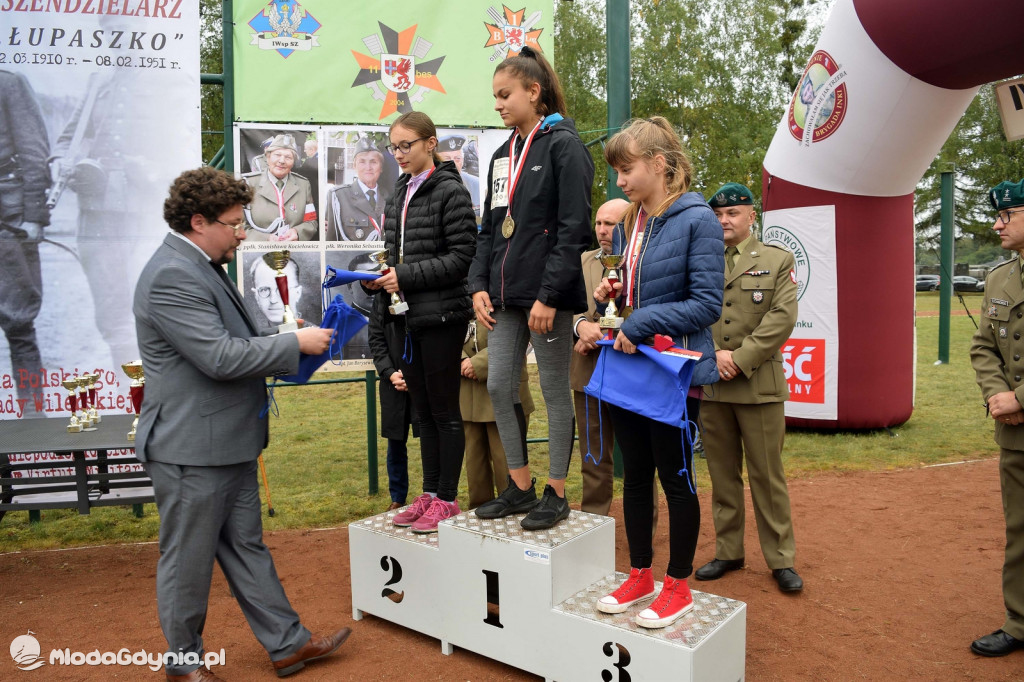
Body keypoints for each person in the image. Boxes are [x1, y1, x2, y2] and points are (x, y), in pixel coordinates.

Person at [133, 167, 350, 680]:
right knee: (188, 561)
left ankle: (288, 645)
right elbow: (218, 357)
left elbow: (231, 342)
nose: (242, 232)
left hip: (226, 440)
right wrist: (292, 345)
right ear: (198, 221)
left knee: (245, 548)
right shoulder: (171, 274)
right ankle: (183, 664)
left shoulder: (201, 263)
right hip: (190, 448)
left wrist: (284, 335)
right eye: (232, 223)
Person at [592, 117, 723, 629]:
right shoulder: (631, 221)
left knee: (676, 478)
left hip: (674, 373)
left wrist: (641, 320)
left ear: (660, 164)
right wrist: (616, 295)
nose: (620, 181)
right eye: (617, 172)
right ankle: (641, 574)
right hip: (629, 366)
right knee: (636, 478)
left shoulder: (698, 219)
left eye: (627, 170)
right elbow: (642, 290)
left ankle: (679, 586)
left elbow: (706, 304)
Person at [469, 46, 594, 531]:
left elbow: (573, 232)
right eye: (495, 96)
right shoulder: (504, 155)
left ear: (533, 92)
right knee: (499, 383)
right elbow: (489, 228)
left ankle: (557, 492)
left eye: (505, 95)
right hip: (504, 297)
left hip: (547, 299)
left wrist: (549, 296)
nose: (497, 104)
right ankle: (520, 486)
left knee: (552, 389)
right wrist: (479, 284)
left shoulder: (564, 145)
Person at [364, 111, 477, 534]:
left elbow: (461, 258)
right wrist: (384, 282)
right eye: (394, 147)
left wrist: (404, 276)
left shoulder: (451, 190)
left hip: (443, 315)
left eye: (406, 145)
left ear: (431, 143)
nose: (399, 154)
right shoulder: (399, 191)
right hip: (406, 318)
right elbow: (397, 258)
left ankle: (447, 498)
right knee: (424, 412)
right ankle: (430, 493)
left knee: (445, 411)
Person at [695, 182, 802, 594]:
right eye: (718, 215)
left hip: (757, 385)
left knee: (767, 476)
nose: (724, 221)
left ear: (750, 215)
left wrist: (737, 358)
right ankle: (728, 551)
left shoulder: (776, 259)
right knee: (722, 475)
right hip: (713, 384)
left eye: (732, 214)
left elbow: (782, 318)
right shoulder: (703, 257)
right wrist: (713, 356)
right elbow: (694, 311)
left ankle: (781, 559)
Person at [969, 177, 1024, 658]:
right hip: (1015, 433)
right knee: (1020, 530)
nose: (996, 223)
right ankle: (1019, 621)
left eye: (1007, 215)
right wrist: (998, 395)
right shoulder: (1000, 276)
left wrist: (1021, 396)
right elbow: (984, 346)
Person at [572, 198, 628, 514]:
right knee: (593, 454)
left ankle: (641, 532)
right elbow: (567, 307)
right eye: (599, 223)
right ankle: (594, 523)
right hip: (588, 372)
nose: (603, 231)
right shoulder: (582, 261)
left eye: (611, 224)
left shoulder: (640, 259)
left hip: (629, 368)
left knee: (637, 456)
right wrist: (580, 326)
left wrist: (598, 333)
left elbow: (643, 312)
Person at [0, 69, 49, 417]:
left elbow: (33, 151)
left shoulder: (8, 83)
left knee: (18, 320)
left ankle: (34, 418)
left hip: (9, 217)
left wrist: (32, 216)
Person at [461, 319, 534, 509]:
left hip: (507, 386)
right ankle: (478, 516)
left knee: (507, 465)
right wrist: (461, 359)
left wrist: (480, 363)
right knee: (475, 466)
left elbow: (524, 334)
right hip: (467, 388)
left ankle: (513, 514)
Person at [368, 291, 417, 512]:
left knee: (431, 438)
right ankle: (398, 496)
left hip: (422, 381)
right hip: (392, 384)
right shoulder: (381, 299)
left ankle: (433, 492)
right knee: (395, 443)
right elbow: (376, 339)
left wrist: (414, 375)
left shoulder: (420, 291)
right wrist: (389, 372)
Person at [242, 134, 318, 242]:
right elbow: (239, 226)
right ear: (268, 158)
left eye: (288, 157)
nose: (282, 161)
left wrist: (297, 232)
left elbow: (311, 222)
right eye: (277, 155)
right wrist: (266, 239)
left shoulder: (304, 185)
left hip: (294, 252)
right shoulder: (248, 184)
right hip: (258, 253)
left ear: (293, 162)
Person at [325, 137, 387, 242]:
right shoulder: (338, 196)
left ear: (381, 168)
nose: (368, 167)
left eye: (373, 162)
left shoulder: (391, 197)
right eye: (362, 162)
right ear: (354, 166)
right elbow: (331, 243)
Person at [249, 256, 303, 327]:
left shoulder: (318, 336)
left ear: (298, 293)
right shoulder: (251, 336)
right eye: (264, 290)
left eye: (282, 289)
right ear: (256, 296)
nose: (273, 300)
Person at [437, 134, 481, 215]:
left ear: (462, 161)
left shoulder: (476, 184)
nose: (453, 163)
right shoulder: (428, 184)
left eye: (457, 159)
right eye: (447, 159)